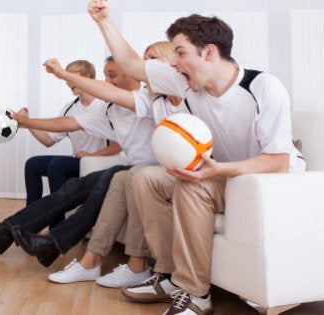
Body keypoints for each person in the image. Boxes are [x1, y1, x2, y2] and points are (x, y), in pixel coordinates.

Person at [87, 1, 305, 314]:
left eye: (180, 52)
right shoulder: (187, 83)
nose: (173, 63)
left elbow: (278, 162)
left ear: (209, 52)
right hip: (228, 179)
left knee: (193, 184)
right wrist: (104, 21)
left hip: (271, 186)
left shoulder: (264, 87)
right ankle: (170, 275)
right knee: (147, 178)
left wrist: (215, 170)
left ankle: (196, 295)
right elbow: (133, 65)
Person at [0, 57, 156, 267]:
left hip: (134, 167)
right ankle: (12, 230)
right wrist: (26, 123)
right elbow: (69, 123)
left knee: (91, 179)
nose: (105, 81)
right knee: (70, 183)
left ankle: (49, 240)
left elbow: (117, 140)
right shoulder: (110, 110)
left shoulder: (145, 100)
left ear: (133, 75)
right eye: (105, 75)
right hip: (126, 167)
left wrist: (93, 156)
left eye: (111, 75)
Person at [42, 41, 188, 288]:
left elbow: (109, 94)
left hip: (169, 172)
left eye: (153, 60)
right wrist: (25, 123)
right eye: (145, 60)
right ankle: (92, 262)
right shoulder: (152, 101)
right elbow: (98, 104)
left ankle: (136, 265)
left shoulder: (183, 95)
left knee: (129, 176)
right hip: (152, 170)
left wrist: (64, 74)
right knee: (122, 177)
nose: (147, 66)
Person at [23, 60, 119, 217]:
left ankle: (57, 225)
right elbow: (48, 140)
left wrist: (92, 156)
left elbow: (119, 144)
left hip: (100, 161)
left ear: (86, 77)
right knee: (32, 164)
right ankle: (28, 220)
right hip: (78, 162)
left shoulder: (105, 104)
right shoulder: (70, 108)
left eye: (70, 76)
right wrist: (27, 123)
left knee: (57, 165)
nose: (66, 81)